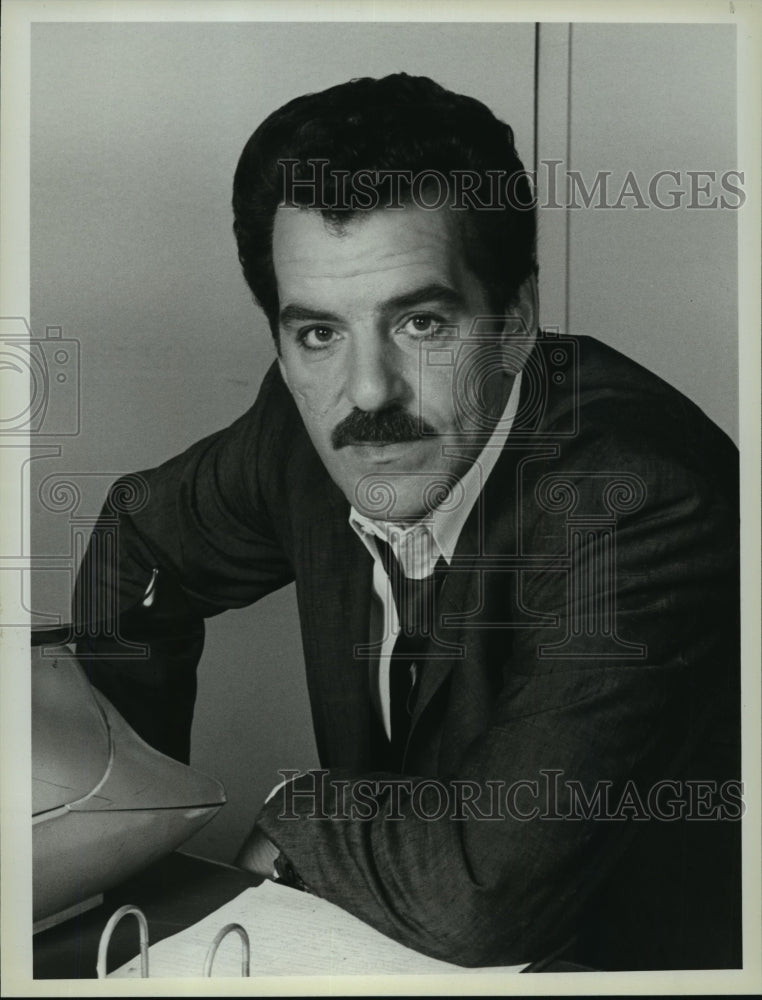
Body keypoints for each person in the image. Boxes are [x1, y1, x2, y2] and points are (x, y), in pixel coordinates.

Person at [73, 74, 741, 971]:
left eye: (422, 323)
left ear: (516, 322)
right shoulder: (300, 428)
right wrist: (124, 840)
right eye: (318, 333)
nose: (367, 392)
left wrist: (301, 815)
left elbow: (482, 892)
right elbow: (142, 538)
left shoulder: (641, 501)